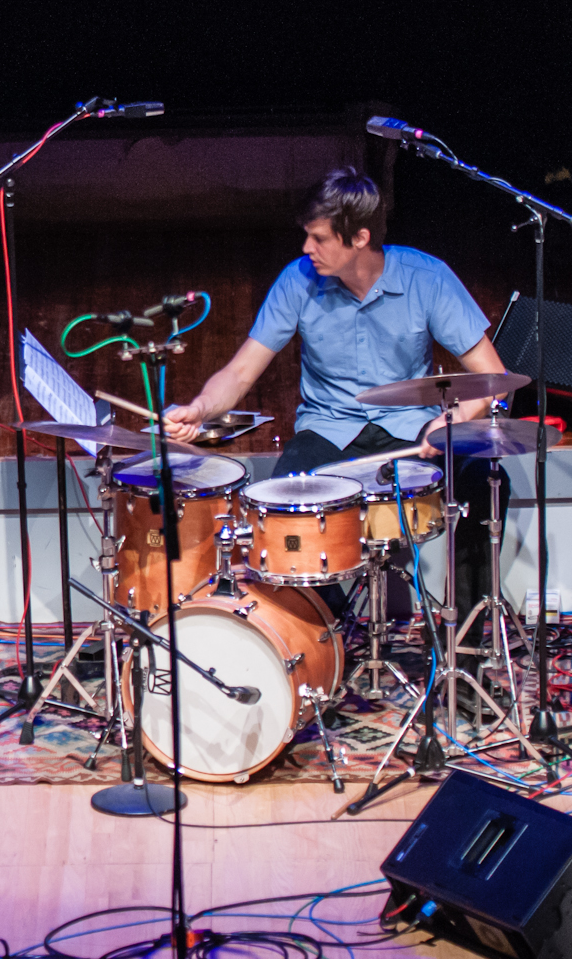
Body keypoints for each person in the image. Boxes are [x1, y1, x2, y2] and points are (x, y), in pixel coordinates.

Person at [165, 166, 509, 654]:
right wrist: (200, 407)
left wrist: (446, 423)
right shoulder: (297, 280)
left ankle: (465, 654)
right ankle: (324, 649)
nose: (307, 249)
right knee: (281, 509)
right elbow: (241, 372)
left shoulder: (426, 278)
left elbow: (489, 378)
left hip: (413, 430)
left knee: (486, 484)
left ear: (360, 237)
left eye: (319, 238)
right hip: (329, 430)